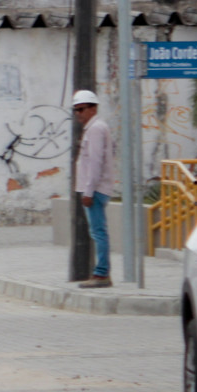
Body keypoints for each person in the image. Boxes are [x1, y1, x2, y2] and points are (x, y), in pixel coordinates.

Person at [72, 89, 119, 288]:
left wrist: (89, 191)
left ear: (93, 108)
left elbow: (96, 163)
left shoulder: (96, 128)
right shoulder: (94, 128)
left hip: (96, 189)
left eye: (81, 109)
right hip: (94, 188)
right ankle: (100, 272)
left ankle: (101, 274)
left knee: (98, 232)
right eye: (75, 110)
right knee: (97, 231)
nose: (78, 114)